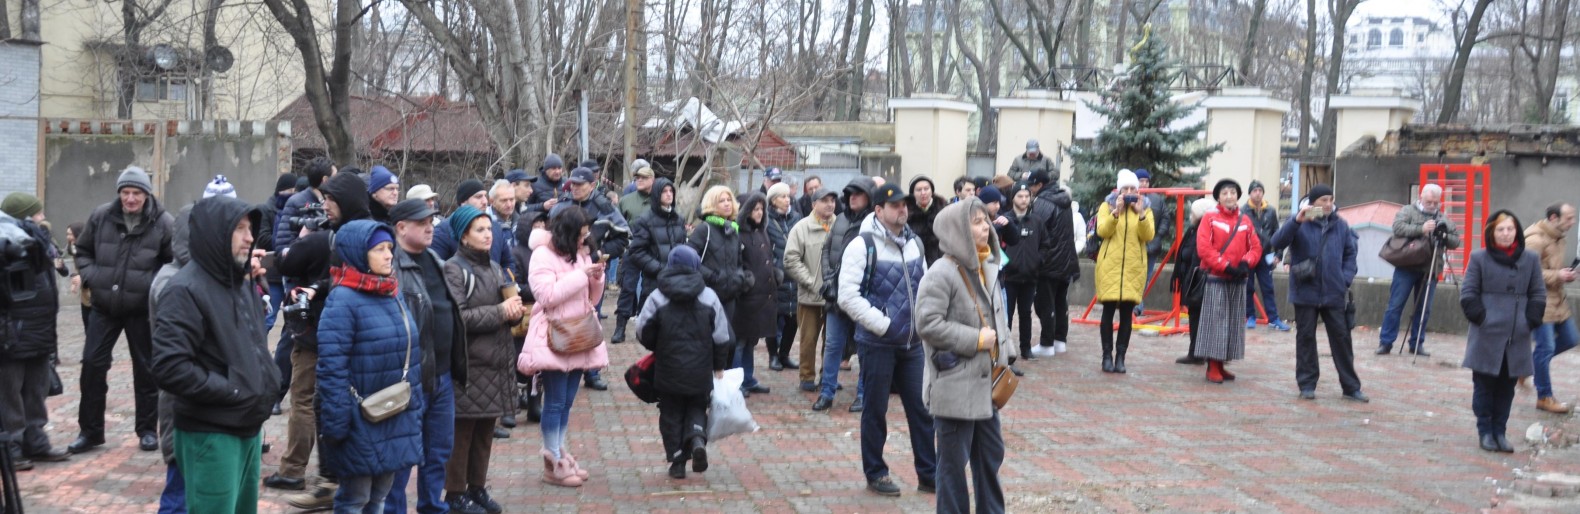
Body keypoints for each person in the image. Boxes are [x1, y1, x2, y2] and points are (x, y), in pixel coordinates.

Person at [148, 196, 277, 513]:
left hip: (248, 425)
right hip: (211, 431)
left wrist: (265, 383)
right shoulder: (184, 289)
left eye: (251, 228)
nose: (250, 237)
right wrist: (234, 390)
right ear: (215, 234)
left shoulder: (240, 284)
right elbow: (170, 368)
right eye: (240, 229)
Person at [270, 170, 373, 507]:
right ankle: (331, 479)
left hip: (319, 336)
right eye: (324, 198)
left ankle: (296, 470)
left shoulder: (331, 240)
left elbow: (285, 262)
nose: (325, 206)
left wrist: (301, 241)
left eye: (331, 200)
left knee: (307, 399)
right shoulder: (369, 237)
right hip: (346, 337)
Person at [315, 220, 424, 513]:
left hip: (394, 413)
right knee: (355, 499)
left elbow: (412, 356)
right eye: (379, 249)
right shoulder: (342, 300)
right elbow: (331, 368)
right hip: (359, 419)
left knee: (379, 497)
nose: (389, 255)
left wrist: (416, 407)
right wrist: (338, 424)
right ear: (358, 254)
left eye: (390, 248)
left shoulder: (392, 292)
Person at [916, 197, 1014, 514]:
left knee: (989, 457)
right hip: (955, 387)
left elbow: (996, 314)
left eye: (985, 220)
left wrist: (1006, 351)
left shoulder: (987, 267)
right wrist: (976, 340)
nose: (985, 227)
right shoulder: (941, 272)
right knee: (952, 468)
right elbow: (927, 324)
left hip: (986, 387)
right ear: (957, 230)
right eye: (976, 222)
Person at [837, 183, 935, 496]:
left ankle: (929, 474)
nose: (902, 210)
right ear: (878, 211)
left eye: (905, 205)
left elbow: (928, 285)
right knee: (875, 410)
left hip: (913, 342)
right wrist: (883, 325)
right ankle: (876, 472)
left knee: (922, 410)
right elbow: (847, 296)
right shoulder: (862, 244)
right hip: (878, 343)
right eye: (895, 206)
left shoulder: (915, 243)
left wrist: (925, 322)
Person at [72, 165, 175, 454]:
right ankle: (90, 431)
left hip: (141, 308)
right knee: (92, 365)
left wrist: (152, 285)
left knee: (146, 370)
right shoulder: (102, 215)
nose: (130, 199)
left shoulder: (163, 222)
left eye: (137, 193)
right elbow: (83, 251)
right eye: (126, 192)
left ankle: (146, 429)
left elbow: (172, 261)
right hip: (104, 306)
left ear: (146, 194)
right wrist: (93, 276)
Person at [384, 199, 470, 514]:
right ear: (401, 228)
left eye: (431, 220)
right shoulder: (391, 265)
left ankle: (432, 505)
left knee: (438, 450)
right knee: (404, 453)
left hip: (443, 374)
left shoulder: (435, 258)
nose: (430, 226)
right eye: (422, 222)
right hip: (411, 377)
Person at [440, 205, 521, 513]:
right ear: (463, 237)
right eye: (480, 230)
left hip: (497, 363)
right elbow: (458, 317)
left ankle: (477, 488)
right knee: (462, 434)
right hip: (469, 365)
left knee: (485, 432)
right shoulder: (453, 269)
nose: (488, 235)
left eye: (490, 230)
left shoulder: (496, 268)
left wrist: (515, 314)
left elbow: (506, 311)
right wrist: (501, 313)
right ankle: (455, 493)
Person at [520, 205, 608, 487]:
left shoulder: (579, 254)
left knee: (568, 402)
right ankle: (552, 459)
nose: (585, 239)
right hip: (554, 336)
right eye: (581, 234)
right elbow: (547, 296)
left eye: (587, 234)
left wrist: (596, 277)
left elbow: (591, 300)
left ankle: (560, 452)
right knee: (555, 401)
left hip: (579, 334)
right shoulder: (542, 255)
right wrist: (582, 275)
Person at [636, 245, 733, 479]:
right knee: (697, 406)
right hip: (700, 367)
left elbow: (642, 330)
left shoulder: (658, 296)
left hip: (668, 367)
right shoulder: (708, 295)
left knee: (670, 413)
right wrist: (719, 365)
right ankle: (697, 438)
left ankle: (677, 461)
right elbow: (722, 336)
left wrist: (657, 344)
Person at [1271, 185, 1367, 402]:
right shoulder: (1300, 222)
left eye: (1330, 199)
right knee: (1305, 338)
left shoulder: (1340, 225)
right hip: (1305, 290)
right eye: (1323, 199)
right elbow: (1276, 242)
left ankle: (1351, 387)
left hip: (1334, 291)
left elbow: (1350, 253)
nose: (1328, 203)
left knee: (1341, 339)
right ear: (1313, 202)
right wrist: (1296, 220)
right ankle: (1306, 384)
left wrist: (1345, 279)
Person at [1460, 211, 1544, 453]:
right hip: (1487, 332)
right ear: (1491, 233)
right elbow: (1468, 293)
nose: (1506, 234)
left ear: (1516, 230)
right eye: (1500, 230)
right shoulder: (1479, 258)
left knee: (1507, 387)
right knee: (1484, 385)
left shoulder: (1530, 259)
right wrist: (1482, 317)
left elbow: (1538, 292)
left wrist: (1531, 319)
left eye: (1510, 229)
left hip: (1517, 334)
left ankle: (1500, 431)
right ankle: (1485, 431)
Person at [0, 193, 69, 470]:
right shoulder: (9, 244)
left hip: (40, 331)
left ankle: (36, 442)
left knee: (36, 390)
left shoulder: (37, 244)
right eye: (37, 213)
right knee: (10, 394)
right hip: (12, 333)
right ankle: (12, 448)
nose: (42, 218)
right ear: (25, 216)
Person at [559, 166, 630, 391]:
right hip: (563, 272)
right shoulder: (562, 206)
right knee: (564, 320)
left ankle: (592, 372)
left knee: (592, 321)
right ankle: (564, 368)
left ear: (592, 185)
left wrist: (597, 254)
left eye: (581, 184)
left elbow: (624, 238)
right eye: (573, 184)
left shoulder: (605, 208)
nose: (576, 188)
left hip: (592, 275)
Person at [814, 177, 877, 412]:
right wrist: (829, 278)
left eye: (858, 193)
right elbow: (826, 249)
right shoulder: (840, 219)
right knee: (832, 345)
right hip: (836, 297)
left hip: (863, 297)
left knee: (863, 348)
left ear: (869, 197)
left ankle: (862, 394)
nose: (852, 197)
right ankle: (827, 392)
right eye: (850, 193)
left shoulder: (875, 223)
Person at [1377, 183, 1461, 356]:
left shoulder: (1443, 218)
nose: (1432, 206)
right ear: (1421, 197)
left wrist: (1443, 235)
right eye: (1429, 202)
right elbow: (1397, 228)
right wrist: (1421, 229)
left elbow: (1456, 240)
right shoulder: (1408, 211)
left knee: (1424, 308)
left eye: (1435, 203)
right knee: (1395, 305)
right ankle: (1386, 342)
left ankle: (1416, 343)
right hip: (1407, 264)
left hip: (1430, 267)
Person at [1193, 178, 1261, 383]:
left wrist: (1245, 263)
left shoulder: (1245, 220)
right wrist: (1224, 265)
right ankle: (1212, 365)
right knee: (1215, 322)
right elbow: (1204, 248)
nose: (1229, 196)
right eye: (1225, 193)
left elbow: (1256, 247)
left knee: (1232, 323)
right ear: (1218, 198)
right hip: (1216, 278)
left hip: (1238, 278)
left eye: (1232, 192)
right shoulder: (1209, 218)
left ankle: (1222, 364)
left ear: (1238, 196)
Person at [1093, 170, 1155, 374]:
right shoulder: (1107, 205)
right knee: (1108, 312)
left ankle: (1121, 357)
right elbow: (1102, 231)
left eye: (1133, 189)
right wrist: (1116, 213)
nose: (1129, 192)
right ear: (1119, 190)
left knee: (1127, 314)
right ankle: (1106, 356)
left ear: (1138, 190)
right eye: (1125, 189)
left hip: (1133, 268)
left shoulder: (1145, 207)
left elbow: (1148, 236)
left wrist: (1142, 214)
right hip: (1110, 266)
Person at [686, 186, 752, 377]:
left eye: (729, 200)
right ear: (712, 204)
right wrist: (713, 276)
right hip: (709, 295)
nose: (726, 204)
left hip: (730, 296)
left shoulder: (733, 230)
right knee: (723, 341)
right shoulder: (704, 229)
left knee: (725, 343)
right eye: (721, 200)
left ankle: (719, 384)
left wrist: (740, 278)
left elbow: (738, 261)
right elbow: (690, 260)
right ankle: (709, 381)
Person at [1524, 203, 1578, 414]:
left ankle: (1526, 366)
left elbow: (1550, 268)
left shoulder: (1558, 237)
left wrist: (1566, 273)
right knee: (1545, 348)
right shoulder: (1535, 239)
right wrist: (1558, 276)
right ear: (1554, 218)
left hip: (1557, 299)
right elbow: (1529, 273)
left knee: (1571, 339)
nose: (1572, 222)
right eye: (1569, 218)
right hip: (1539, 302)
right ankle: (1544, 396)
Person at [785, 187, 839, 392]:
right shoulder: (801, 228)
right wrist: (811, 282)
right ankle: (807, 376)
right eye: (824, 200)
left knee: (833, 341)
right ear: (813, 204)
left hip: (835, 297)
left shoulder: (840, 226)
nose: (830, 204)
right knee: (808, 340)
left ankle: (829, 375)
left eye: (832, 200)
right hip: (810, 295)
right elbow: (790, 260)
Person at [1025, 171, 1082, 358]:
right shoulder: (1063, 201)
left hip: (1049, 262)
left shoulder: (1043, 202)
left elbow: (1036, 230)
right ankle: (1059, 341)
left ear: (1038, 185)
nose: (1029, 190)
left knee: (1045, 303)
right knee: (1060, 302)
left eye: (1031, 185)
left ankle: (1046, 343)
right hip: (1066, 261)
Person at [735, 193, 778, 395]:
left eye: (762, 209)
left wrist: (775, 275)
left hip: (761, 296)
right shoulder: (738, 234)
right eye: (755, 209)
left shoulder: (762, 232)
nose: (759, 213)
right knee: (740, 341)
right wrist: (746, 280)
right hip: (745, 298)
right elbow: (736, 264)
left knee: (751, 340)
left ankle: (748, 377)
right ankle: (736, 381)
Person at [1171, 198, 1217, 366]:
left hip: (1201, 281)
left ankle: (1204, 353)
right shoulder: (1192, 230)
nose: (1190, 216)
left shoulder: (1206, 232)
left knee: (1203, 318)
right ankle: (1196, 352)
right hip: (1192, 280)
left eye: (1193, 213)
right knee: (1195, 317)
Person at [999, 183, 1043, 362]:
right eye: (1020, 196)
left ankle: (1026, 348)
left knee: (1026, 314)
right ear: (1013, 198)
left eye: (1027, 196)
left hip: (1030, 276)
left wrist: (1038, 261)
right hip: (1009, 277)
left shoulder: (1036, 221)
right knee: (1006, 316)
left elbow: (1045, 244)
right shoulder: (1004, 220)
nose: (1024, 199)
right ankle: (1006, 351)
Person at [613, 166, 656, 343]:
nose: (639, 180)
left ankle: (644, 326)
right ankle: (620, 327)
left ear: (652, 180)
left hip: (653, 251)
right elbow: (617, 225)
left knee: (649, 289)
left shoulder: (660, 200)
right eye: (637, 177)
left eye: (644, 178)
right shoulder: (626, 201)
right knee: (628, 288)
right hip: (632, 250)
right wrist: (623, 245)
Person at [766, 183, 803, 372]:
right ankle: (773, 356)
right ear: (773, 200)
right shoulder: (766, 220)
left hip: (795, 275)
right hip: (776, 276)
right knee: (773, 317)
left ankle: (784, 354)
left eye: (788, 196)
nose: (787, 199)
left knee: (793, 318)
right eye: (782, 196)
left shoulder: (797, 218)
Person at [1243, 180, 1290, 331]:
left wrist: (1278, 254)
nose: (1257, 193)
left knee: (1268, 287)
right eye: (1254, 190)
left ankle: (1273, 318)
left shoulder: (1270, 210)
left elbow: (1278, 233)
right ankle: (1249, 316)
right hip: (1249, 254)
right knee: (1248, 287)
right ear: (1250, 193)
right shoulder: (1243, 211)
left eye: (1260, 190)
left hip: (1266, 255)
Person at [259, 173, 299, 335]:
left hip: (289, 272)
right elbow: (262, 239)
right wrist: (285, 239)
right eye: (291, 190)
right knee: (267, 319)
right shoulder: (265, 210)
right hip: (273, 275)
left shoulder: (294, 209)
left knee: (291, 322)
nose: (293, 195)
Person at [1133, 169, 1171, 318]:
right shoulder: (1130, 199)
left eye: (1146, 181)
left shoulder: (1157, 199)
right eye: (1141, 181)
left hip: (1152, 246)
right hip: (1135, 245)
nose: (1144, 184)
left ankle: (1137, 306)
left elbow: (1165, 218)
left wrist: (1158, 236)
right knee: (1134, 276)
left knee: (1145, 277)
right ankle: (1136, 306)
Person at [907, 176, 944, 265]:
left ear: (932, 191)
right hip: (915, 261)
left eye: (926, 189)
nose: (923, 193)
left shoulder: (943, 210)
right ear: (913, 193)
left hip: (940, 260)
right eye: (919, 190)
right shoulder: (906, 213)